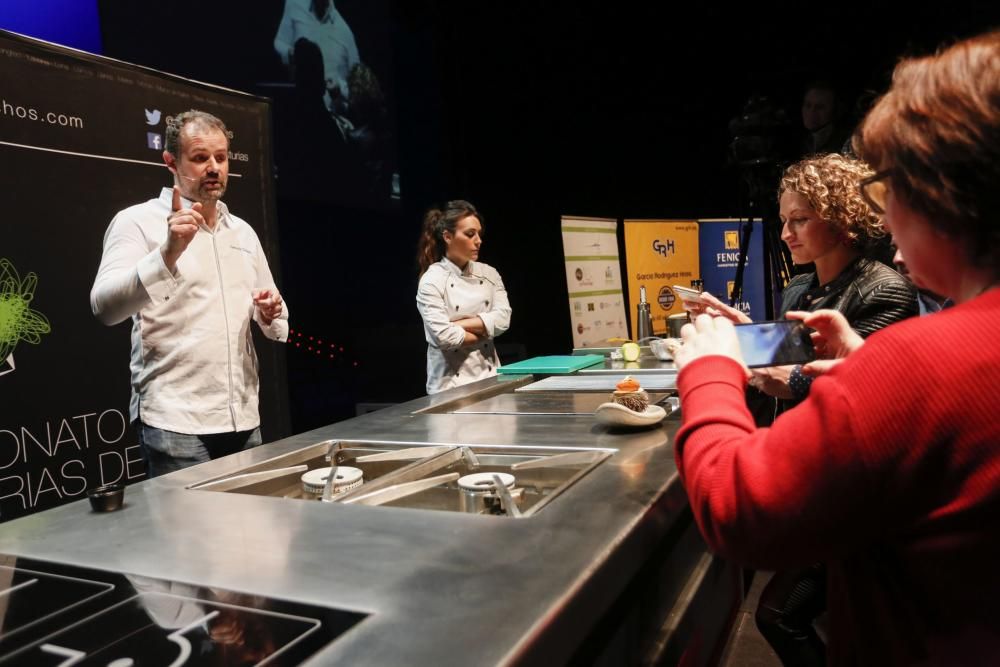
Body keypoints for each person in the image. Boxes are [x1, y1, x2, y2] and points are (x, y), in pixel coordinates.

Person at [672, 30, 1000, 666]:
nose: (885, 217)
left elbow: (741, 512)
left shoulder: (919, 354)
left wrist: (709, 370)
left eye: (887, 190)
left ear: (941, 192)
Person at [91, 110, 288, 477]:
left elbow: (277, 318)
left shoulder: (242, 232)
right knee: (190, 536)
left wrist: (270, 311)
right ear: (170, 162)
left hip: (243, 418)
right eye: (200, 158)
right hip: (175, 423)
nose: (213, 167)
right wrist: (167, 253)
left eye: (221, 157)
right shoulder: (137, 222)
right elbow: (104, 307)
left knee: (251, 532)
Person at [684, 153, 918, 414]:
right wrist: (748, 336)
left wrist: (792, 380)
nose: (785, 234)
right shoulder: (797, 287)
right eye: (784, 221)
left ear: (841, 218)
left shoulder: (886, 290)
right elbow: (780, 368)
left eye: (800, 220)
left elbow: (866, 384)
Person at [415, 200, 511, 395]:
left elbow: (503, 320)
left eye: (479, 234)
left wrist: (460, 324)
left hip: (490, 379)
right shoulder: (432, 280)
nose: (478, 240)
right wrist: (485, 329)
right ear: (448, 237)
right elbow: (443, 337)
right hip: (449, 388)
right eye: (470, 234)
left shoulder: (490, 274)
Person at [274, 0, 360, 114]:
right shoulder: (294, 5)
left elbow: (359, 87)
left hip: (330, 116)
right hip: (297, 108)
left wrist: (339, 88)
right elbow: (279, 42)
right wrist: (289, 53)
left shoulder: (345, 32)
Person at [800, 80, 851, 157]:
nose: (811, 112)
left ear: (835, 110)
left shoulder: (846, 145)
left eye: (820, 107)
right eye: (808, 105)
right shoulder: (799, 138)